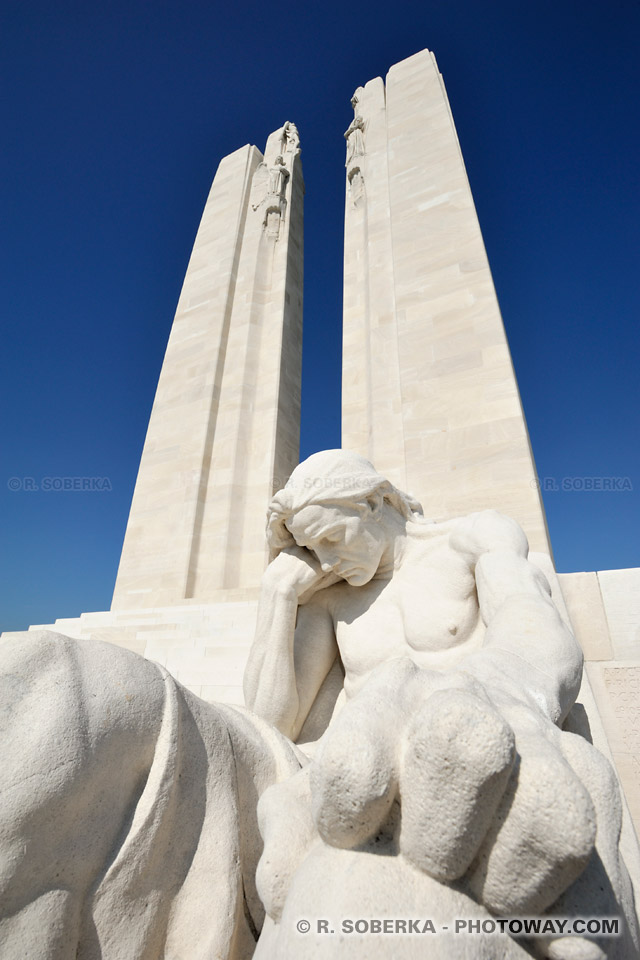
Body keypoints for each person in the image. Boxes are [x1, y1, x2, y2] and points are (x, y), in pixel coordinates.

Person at [244, 449, 638, 959]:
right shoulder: (329, 599)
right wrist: (277, 598)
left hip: (477, 758)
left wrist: (447, 699)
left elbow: (543, 642)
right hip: (366, 792)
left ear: (376, 502)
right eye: (311, 550)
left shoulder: (473, 540)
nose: (325, 562)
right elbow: (269, 723)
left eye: (332, 539)